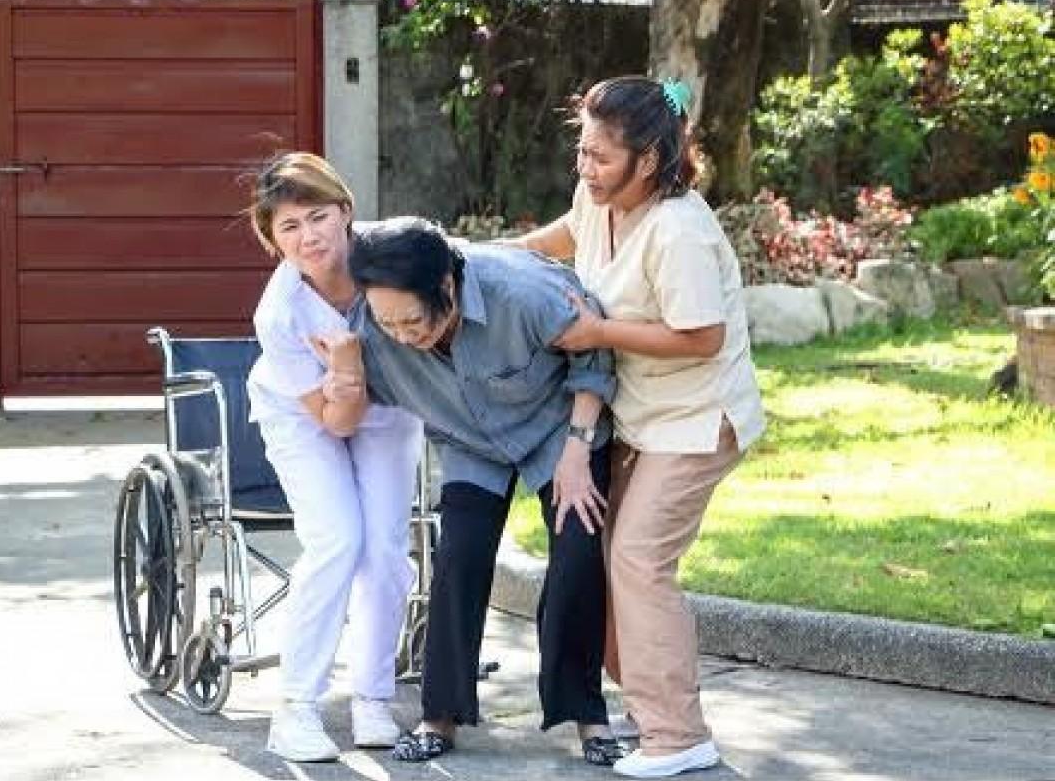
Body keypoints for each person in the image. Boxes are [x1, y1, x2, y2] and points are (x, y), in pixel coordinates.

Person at [519, 76, 766, 778]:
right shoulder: (597, 201)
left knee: (636, 560)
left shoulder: (678, 230)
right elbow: (565, 235)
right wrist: (498, 260)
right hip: (640, 416)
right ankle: (653, 706)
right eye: (582, 150)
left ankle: (677, 735)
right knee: (600, 562)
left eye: (601, 156)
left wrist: (596, 330)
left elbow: (701, 337)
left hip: (696, 420)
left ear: (650, 159)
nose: (585, 168)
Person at [333, 217, 626, 766]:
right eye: (387, 322)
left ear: (445, 287)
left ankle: (587, 716)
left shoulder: (524, 293)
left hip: (557, 430)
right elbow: (333, 404)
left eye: (412, 320)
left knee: (577, 554)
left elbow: (593, 356)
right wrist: (343, 370)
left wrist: (578, 450)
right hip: (469, 442)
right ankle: (439, 715)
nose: (401, 335)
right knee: (458, 558)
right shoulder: (370, 330)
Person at [244, 153, 424, 762]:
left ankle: (372, 697)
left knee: (385, 549)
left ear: (345, 212)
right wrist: (345, 366)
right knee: (337, 540)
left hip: (391, 409)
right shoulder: (281, 312)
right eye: (288, 227)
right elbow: (333, 419)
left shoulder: (390, 258)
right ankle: (295, 707)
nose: (309, 236)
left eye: (318, 216)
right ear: (272, 240)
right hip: (305, 416)